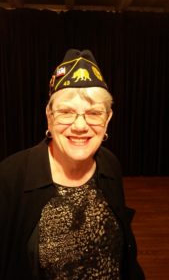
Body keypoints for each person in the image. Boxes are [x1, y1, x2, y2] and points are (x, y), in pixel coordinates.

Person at [0, 49, 145, 280]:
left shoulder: (109, 163)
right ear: (49, 116)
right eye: (66, 112)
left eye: (93, 113)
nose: (80, 126)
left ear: (107, 119)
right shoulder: (10, 177)